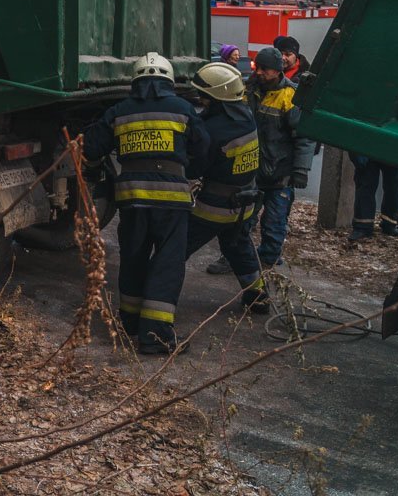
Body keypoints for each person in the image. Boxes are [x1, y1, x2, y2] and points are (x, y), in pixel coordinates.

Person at [84, 53, 210, 354]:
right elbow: (203, 148)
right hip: (172, 203)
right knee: (167, 263)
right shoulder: (183, 109)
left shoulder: (119, 111)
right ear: (168, 81)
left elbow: (91, 147)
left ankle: (129, 323)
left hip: (132, 201)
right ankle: (155, 337)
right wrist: (186, 172)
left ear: (135, 81)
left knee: (133, 258)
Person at [208, 48, 314, 273]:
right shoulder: (247, 90)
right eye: (259, 68)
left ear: (277, 72)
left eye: (265, 69)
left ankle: (267, 263)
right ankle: (232, 259)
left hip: (279, 174)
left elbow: (304, 137)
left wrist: (301, 170)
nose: (260, 72)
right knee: (240, 223)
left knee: (274, 224)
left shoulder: (289, 96)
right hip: (250, 173)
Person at [185, 62, 268, 313]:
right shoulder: (246, 118)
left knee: (177, 247)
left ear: (217, 97)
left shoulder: (212, 130)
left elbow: (194, 169)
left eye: (205, 96)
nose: (201, 99)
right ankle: (258, 297)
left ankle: (153, 295)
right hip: (245, 203)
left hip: (214, 208)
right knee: (238, 247)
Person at [350, 156, 398, 240]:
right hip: (370, 146)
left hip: (394, 149)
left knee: (395, 184)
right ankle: (363, 226)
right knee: (365, 181)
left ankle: (390, 224)